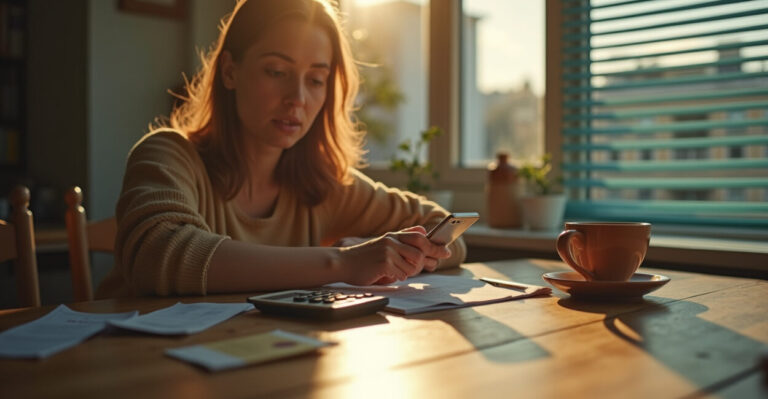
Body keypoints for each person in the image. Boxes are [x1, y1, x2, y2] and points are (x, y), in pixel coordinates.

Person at [96, 0, 466, 298]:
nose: (298, 99)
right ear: (230, 72)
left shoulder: (322, 183)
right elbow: (159, 254)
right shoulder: (168, 154)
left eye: (317, 80)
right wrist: (343, 262)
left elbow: (448, 233)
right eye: (276, 71)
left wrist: (376, 250)